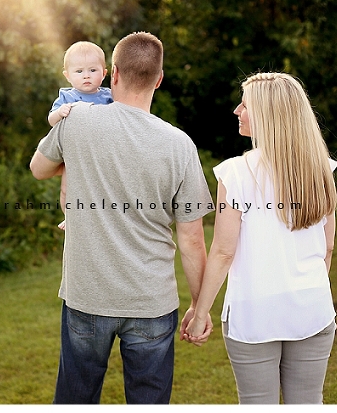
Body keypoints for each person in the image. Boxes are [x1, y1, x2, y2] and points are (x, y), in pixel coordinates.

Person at [30, 31, 214, 404]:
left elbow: (38, 168)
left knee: (75, 400)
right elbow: (192, 237)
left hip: (87, 296)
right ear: (159, 79)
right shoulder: (179, 143)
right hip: (151, 301)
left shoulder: (76, 120)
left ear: (112, 73)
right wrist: (199, 305)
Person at [184, 72, 337, 404]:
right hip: (313, 309)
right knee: (308, 402)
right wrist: (305, 291)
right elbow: (327, 247)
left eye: (245, 104)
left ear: (268, 114)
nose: (237, 111)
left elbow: (224, 252)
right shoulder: (322, 169)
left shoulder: (235, 174)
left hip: (253, 314)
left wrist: (200, 312)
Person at [47, 41, 114, 230]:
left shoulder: (109, 97)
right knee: (67, 189)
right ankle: (69, 216)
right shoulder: (67, 97)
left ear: (104, 73)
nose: (86, 75)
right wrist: (60, 113)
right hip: (75, 155)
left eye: (93, 70)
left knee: (101, 187)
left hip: (102, 154)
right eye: (79, 71)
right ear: (67, 76)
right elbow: (51, 120)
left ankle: (102, 216)